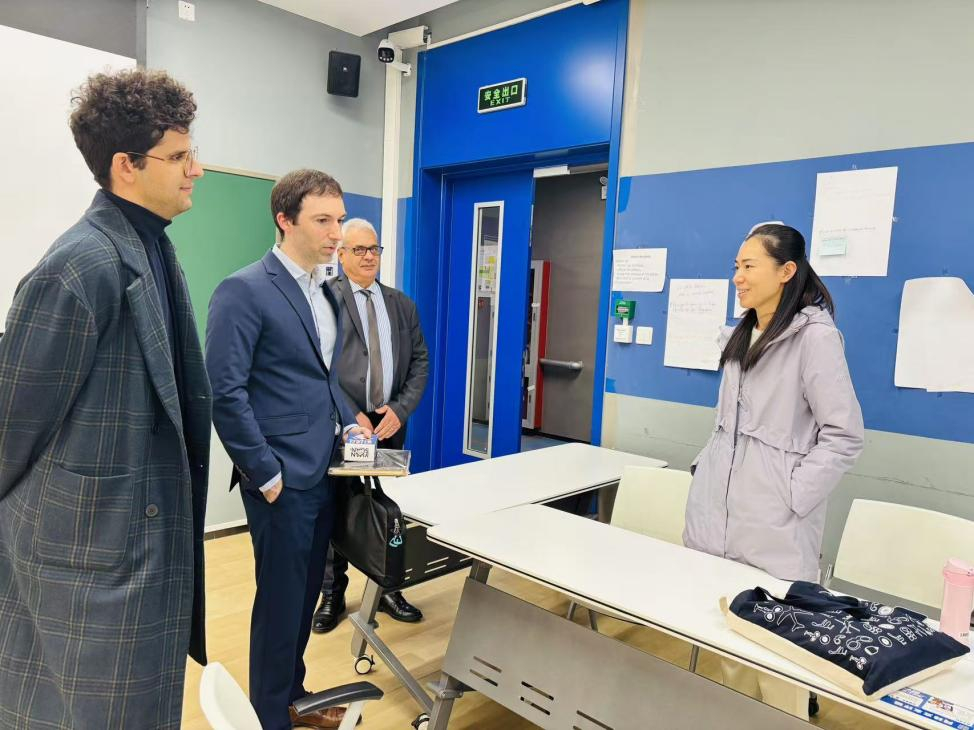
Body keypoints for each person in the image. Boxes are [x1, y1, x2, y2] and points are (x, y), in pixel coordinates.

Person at [0, 69, 210, 728]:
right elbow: (10, 431)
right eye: (179, 157)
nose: (196, 170)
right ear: (127, 165)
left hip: (132, 546)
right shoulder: (79, 266)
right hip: (87, 559)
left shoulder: (153, 247)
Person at [206, 169, 370, 730]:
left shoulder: (325, 289)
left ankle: (292, 701)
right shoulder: (243, 289)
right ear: (285, 220)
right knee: (279, 604)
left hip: (326, 471)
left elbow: (322, 376)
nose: (337, 233)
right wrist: (266, 474)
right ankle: (271, 716)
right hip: (281, 480)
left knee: (301, 600)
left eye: (339, 219)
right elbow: (225, 393)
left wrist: (349, 425)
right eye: (323, 220)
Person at [683, 223, 865, 718]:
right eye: (736, 267)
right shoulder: (743, 333)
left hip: (774, 526)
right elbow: (729, 427)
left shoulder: (815, 339)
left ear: (786, 271)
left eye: (749, 266)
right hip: (716, 516)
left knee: (778, 660)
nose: (737, 278)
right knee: (729, 651)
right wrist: (704, 470)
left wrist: (792, 495)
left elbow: (844, 435)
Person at [312, 218, 429, 633]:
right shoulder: (324, 299)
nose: (368, 257)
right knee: (339, 509)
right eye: (359, 250)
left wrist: (400, 409)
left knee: (389, 509)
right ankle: (332, 594)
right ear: (341, 254)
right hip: (345, 427)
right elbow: (318, 366)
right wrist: (351, 415)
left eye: (373, 249)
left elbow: (420, 362)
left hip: (389, 425)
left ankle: (389, 588)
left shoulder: (401, 304)